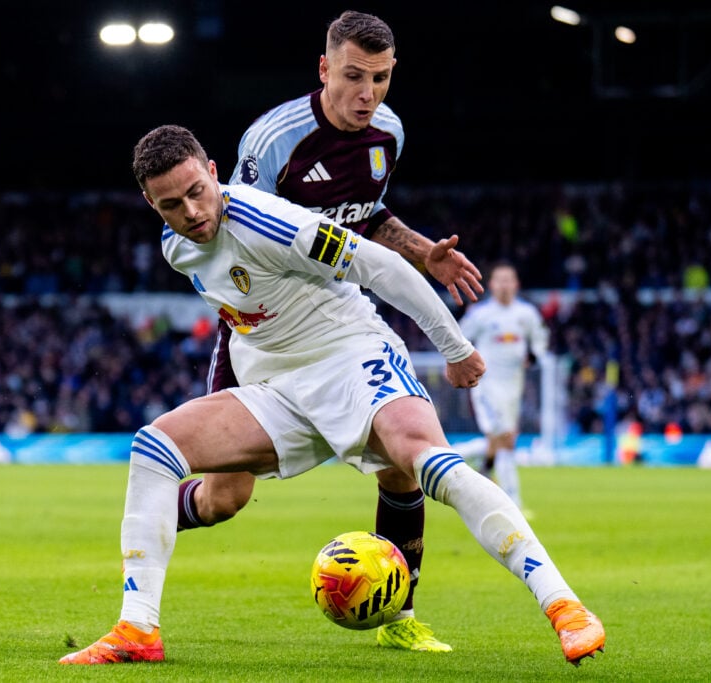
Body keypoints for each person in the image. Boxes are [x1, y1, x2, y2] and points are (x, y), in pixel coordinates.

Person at [59, 125, 605, 667]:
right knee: (155, 447)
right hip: (278, 388)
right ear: (151, 204)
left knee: (425, 461)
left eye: (197, 192)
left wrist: (455, 347)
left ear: (214, 173)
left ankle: (564, 607)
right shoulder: (175, 245)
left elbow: (380, 266)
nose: (191, 212)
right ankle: (138, 629)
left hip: (350, 358)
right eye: (171, 205)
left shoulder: (269, 222)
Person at [177, 10, 483, 653]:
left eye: (381, 78)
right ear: (324, 69)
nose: (368, 94)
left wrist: (423, 252)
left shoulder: (389, 132)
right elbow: (231, 229)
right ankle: (151, 511)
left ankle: (400, 614)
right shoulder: (273, 140)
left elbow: (367, 218)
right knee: (224, 499)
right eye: (353, 76)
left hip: (340, 320)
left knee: (400, 462)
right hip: (264, 332)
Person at [455, 262, 549, 512]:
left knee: (502, 439)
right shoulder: (481, 314)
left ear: (516, 284)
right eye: (500, 280)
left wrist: (533, 356)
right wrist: (460, 363)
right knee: (505, 438)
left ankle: (468, 463)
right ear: (492, 285)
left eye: (509, 280)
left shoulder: (526, 314)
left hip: (513, 386)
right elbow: (458, 337)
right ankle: (513, 502)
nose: (505, 285)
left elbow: (540, 340)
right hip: (486, 384)